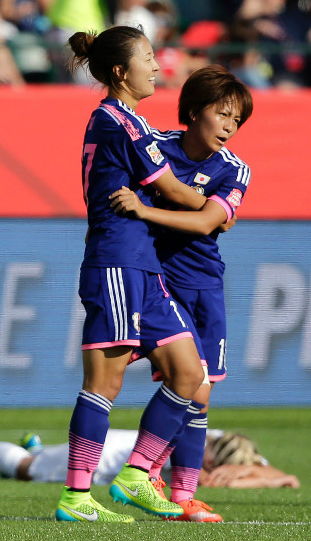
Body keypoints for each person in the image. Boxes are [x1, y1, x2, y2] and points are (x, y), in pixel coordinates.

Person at [55, 25, 212, 524]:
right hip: (117, 261)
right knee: (106, 381)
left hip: (142, 265)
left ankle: (136, 474)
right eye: (147, 57)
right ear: (121, 72)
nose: (156, 65)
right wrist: (217, 203)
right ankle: (77, 496)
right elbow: (177, 193)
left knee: (190, 371)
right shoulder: (117, 122)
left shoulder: (130, 122)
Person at [109, 64, 254, 522]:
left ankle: (178, 491)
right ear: (194, 110)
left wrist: (149, 211)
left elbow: (209, 222)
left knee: (201, 393)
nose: (230, 127)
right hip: (156, 282)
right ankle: (138, 474)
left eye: (237, 120)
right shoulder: (156, 147)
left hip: (203, 287)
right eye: (223, 114)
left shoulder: (236, 170)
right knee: (186, 382)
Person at [0, 429, 300, 489]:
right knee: (27, 470)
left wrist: (268, 476)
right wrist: (267, 479)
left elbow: (286, 475)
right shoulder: (192, 446)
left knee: (37, 458)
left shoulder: (226, 442)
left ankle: (37, 447)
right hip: (103, 456)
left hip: (115, 445)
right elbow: (205, 481)